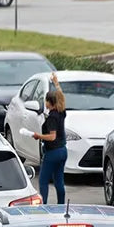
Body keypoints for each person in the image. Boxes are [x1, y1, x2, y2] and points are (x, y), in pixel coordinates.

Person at [33, 73, 68, 205]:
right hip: (63, 151)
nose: (45, 103)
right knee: (59, 180)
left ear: (50, 103)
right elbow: (61, 97)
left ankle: (44, 205)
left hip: (52, 152)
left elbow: (52, 136)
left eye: (46, 101)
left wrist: (38, 136)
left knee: (43, 180)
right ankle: (61, 205)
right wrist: (56, 83)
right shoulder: (61, 111)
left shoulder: (53, 117)